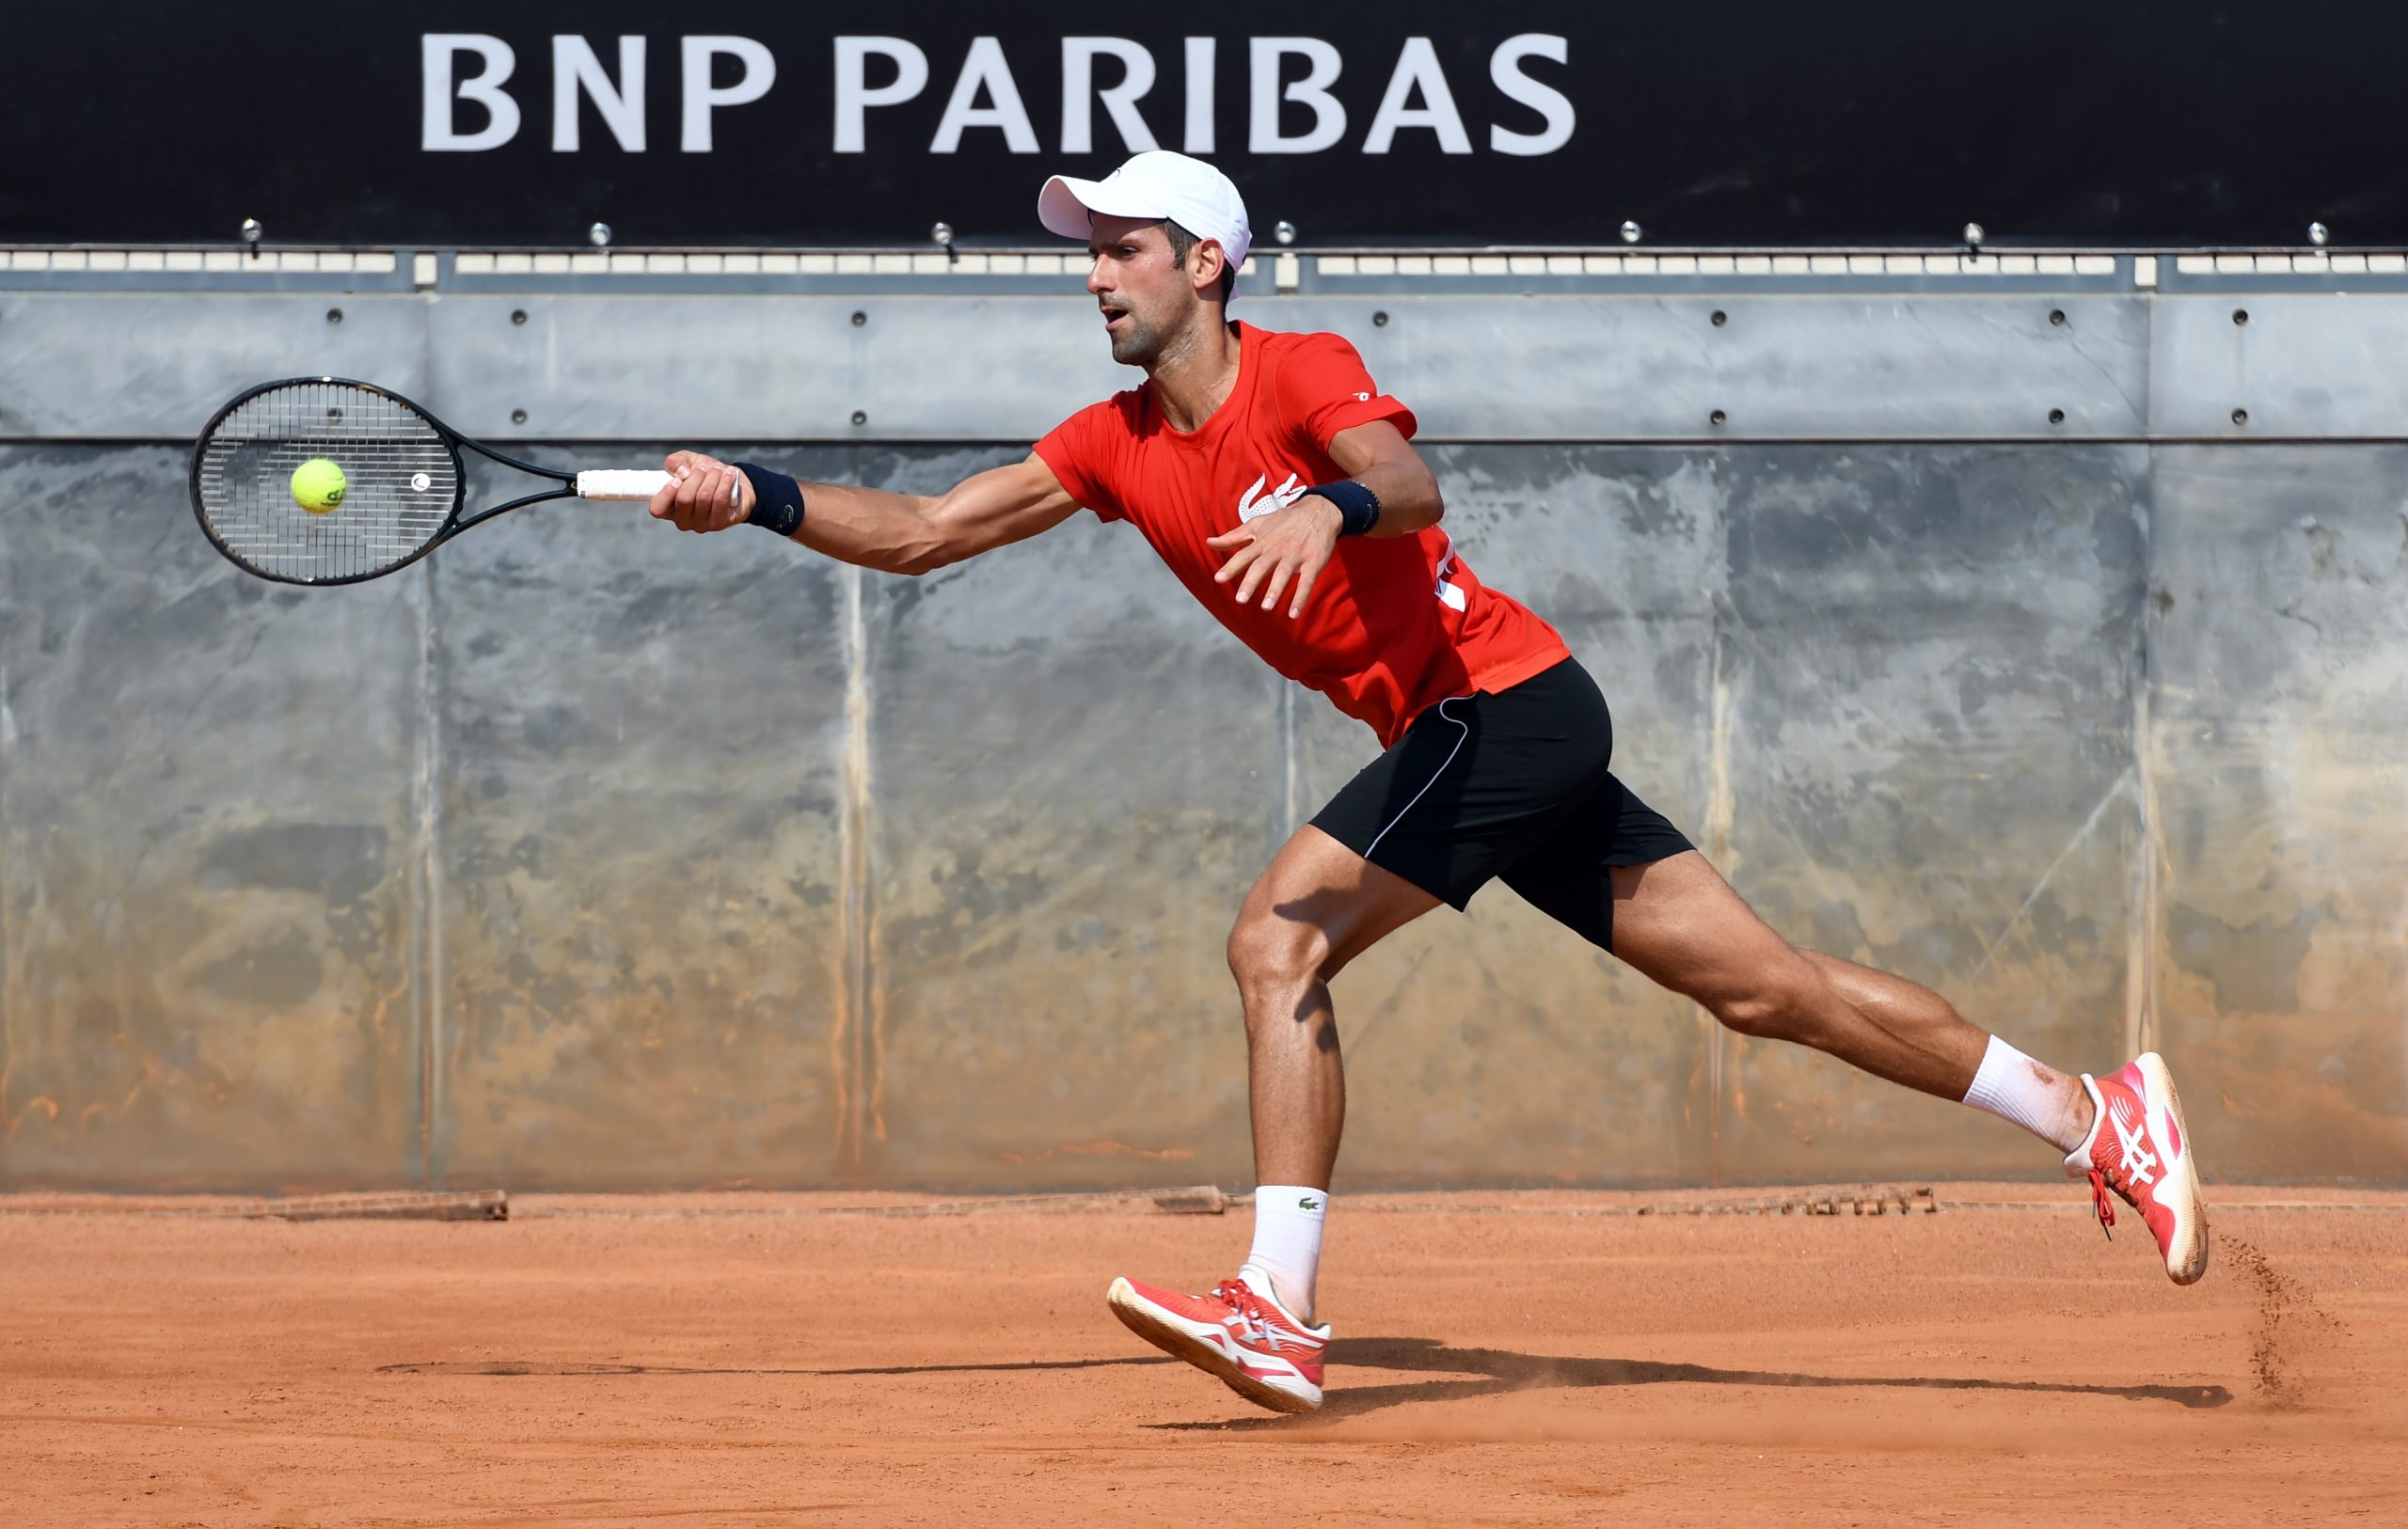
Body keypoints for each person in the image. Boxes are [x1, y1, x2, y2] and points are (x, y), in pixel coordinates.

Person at [649, 150, 2208, 1416]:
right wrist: (762, 497)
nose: (1092, 274)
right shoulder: (1117, 442)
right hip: (1490, 732)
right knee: (1768, 989)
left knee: (1278, 941)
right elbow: (929, 529)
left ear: (1203, 263)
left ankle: (1278, 1307)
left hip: (1501, 707)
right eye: (1091, 250)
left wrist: (1329, 507)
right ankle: (2095, 1117)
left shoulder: (1299, 365)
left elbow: (1407, 478)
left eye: (1121, 247)